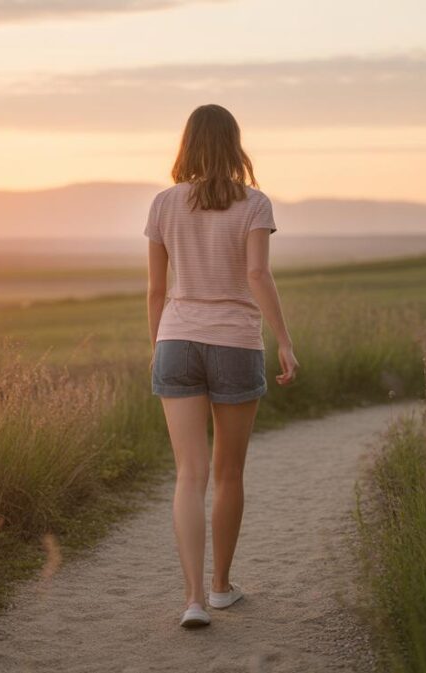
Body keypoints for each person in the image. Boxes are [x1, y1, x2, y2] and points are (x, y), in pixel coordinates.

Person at [144, 103, 300, 629]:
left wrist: (158, 346)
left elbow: (155, 290)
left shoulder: (163, 204)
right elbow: (257, 274)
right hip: (236, 343)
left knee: (189, 474)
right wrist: (283, 340)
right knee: (228, 472)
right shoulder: (254, 204)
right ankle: (220, 588)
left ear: (187, 143)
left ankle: (190, 600)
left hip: (176, 341)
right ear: (235, 144)